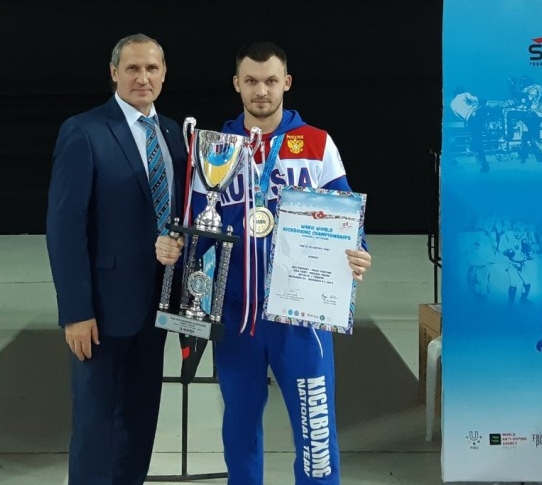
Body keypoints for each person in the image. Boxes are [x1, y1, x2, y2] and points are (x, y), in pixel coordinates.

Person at [190, 42, 372, 485]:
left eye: (271, 81)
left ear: (286, 83)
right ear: (236, 84)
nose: (261, 91)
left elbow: (345, 214)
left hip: (303, 319)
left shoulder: (316, 143)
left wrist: (358, 251)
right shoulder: (214, 149)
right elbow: (198, 227)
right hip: (237, 318)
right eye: (251, 81)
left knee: (316, 435)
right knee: (239, 431)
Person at [45, 33, 187, 485]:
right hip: (102, 312)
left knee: (140, 421)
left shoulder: (173, 134)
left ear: (163, 74)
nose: (143, 77)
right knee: (96, 426)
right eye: (133, 68)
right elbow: (64, 228)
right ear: (114, 73)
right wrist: (76, 311)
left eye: (151, 68)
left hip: (158, 307)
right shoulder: (84, 131)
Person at [449, 89, 491, 173]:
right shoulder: (464, 94)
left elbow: (459, 116)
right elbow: (475, 99)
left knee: (477, 140)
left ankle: (483, 162)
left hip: (470, 121)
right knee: (491, 109)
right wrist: (481, 101)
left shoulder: (452, 104)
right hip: (476, 113)